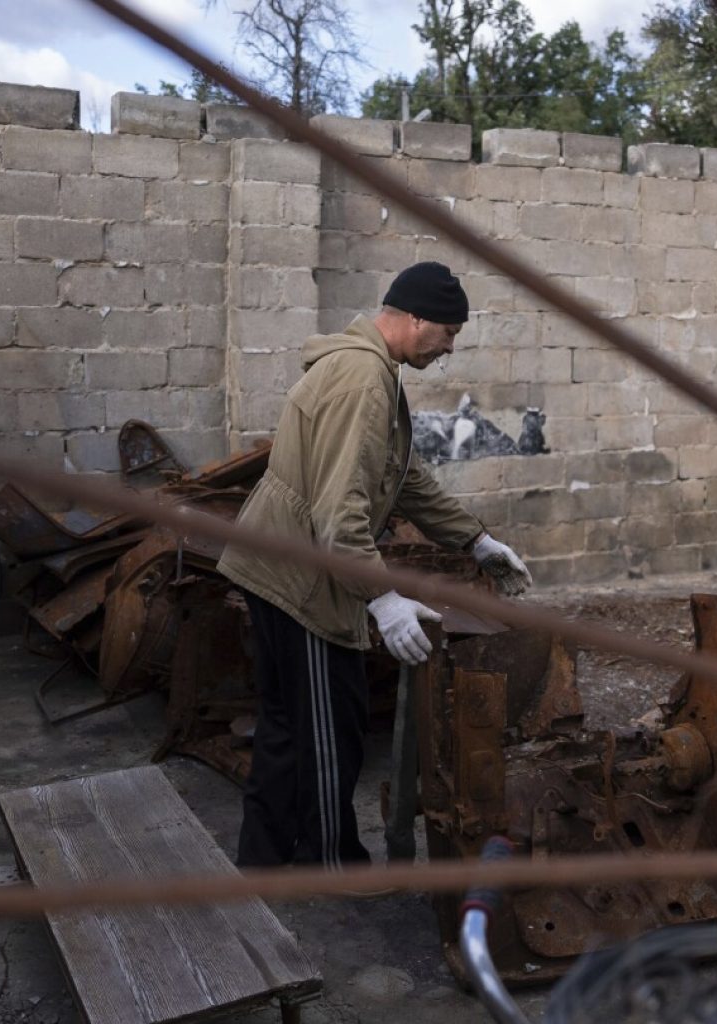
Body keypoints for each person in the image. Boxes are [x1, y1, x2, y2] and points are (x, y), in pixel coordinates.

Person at [217, 261, 532, 870]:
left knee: (287, 727)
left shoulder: (367, 369)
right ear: (414, 320)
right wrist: (381, 600)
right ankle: (334, 867)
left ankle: (262, 861)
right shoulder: (363, 380)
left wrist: (475, 541)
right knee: (330, 733)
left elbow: (405, 478)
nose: (449, 351)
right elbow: (340, 514)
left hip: (278, 565)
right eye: (447, 334)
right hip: (301, 582)